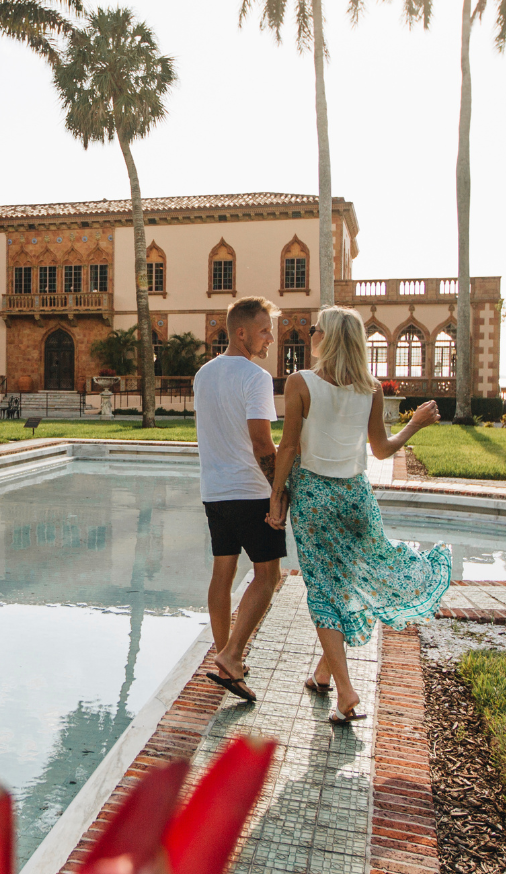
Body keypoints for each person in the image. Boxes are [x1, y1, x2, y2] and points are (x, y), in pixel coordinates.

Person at [266, 307, 454, 723]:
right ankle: (323, 674)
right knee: (346, 583)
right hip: (356, 497)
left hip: (315, 495)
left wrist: (277, 496)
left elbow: (289, 447)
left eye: (315, 328)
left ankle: (347, 692)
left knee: (322, 590)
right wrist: (415, 425)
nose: (311, 333)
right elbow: (383, 449)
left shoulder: (301, 382)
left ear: (327, 337)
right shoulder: (370, 388)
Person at [192, 296, 284, 703]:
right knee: (268, 577)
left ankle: (226, 655)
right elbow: (262, 441)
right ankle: (232, 657)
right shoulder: (255, 377)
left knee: (223, 573)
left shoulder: (203, 375)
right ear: (242, 332)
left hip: (214, 491)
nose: (270, 337)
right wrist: (278, 490)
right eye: (264, 329)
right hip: (250, 491)